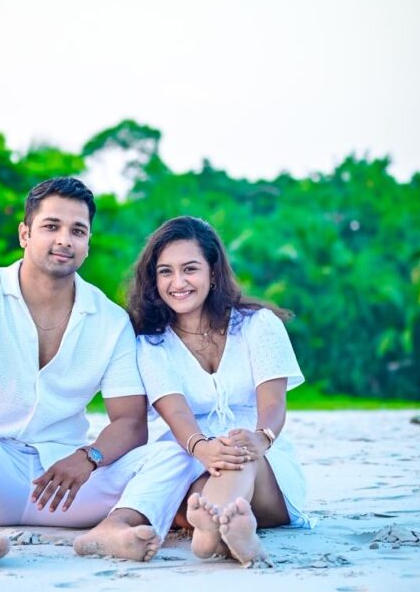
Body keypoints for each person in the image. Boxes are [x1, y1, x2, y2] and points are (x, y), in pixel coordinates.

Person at [0, 178, 201, 567]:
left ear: (88, 243)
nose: (64, 240)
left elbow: (131, 423)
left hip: (67, 485)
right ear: (25, 234)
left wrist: (88, 457)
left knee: (178, 450)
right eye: (52, 226)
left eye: (77, 231)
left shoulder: (110, 320)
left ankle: (111, 529)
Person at [124, 215, 311, 566]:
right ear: (154, 279)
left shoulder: (258, 325)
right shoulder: (151, 343)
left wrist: (261, 438)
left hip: (261, 459)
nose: (178, 282)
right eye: (165, 272)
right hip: (189, 459)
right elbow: (174, 411)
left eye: (189, 269)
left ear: (213, 272)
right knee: (194, 491)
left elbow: (273, 403)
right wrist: (202, 448)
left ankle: (212, 529)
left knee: (237, 453)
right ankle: (225, 532)